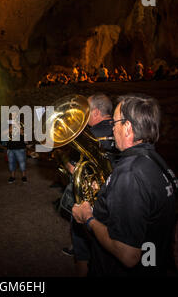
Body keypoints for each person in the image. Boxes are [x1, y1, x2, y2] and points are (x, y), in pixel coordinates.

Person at [72, 93, 178, 276]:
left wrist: (88, 218)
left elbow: (128, 255)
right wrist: (108, 189)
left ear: (127, 127)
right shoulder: (156, 160)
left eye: (114, 123)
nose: (112, 129)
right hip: (153, 262)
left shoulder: (130, 173)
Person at [61, 94, 115, 275]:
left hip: (90, 203)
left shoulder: (88, 136)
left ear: (96, 112)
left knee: (82, 249)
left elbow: (74, 169)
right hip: (114, 201)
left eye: (87, 112)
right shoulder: (121, 130)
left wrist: (65, 161)